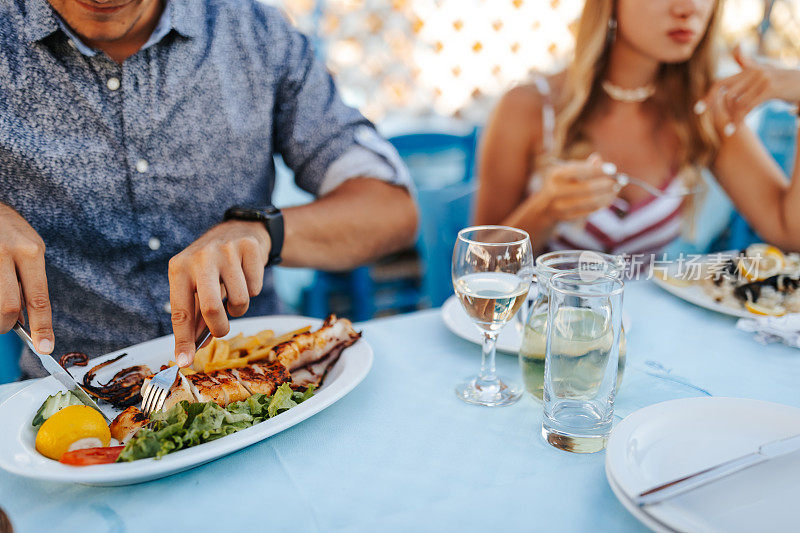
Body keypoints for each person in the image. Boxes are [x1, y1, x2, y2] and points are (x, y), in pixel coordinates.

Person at [0, 0, 418, 377]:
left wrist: (261, 233)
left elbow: (391, 209)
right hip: (71, 402)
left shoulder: (256, 32)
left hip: (262, 373)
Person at [475, 0, 800, 256]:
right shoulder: (528, 107)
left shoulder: (704, 108)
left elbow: (790, 231)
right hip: (538, 335)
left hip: (646, 339)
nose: (689, 7)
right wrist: (545, 209)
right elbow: (478, 268)